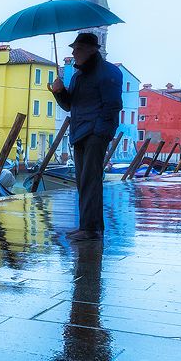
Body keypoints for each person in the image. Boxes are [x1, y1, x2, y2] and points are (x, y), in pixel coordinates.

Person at [49, 32, 123, 241]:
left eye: (78, 49)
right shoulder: (78, 75)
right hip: (79, 133)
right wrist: (59, 92)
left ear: (92, 49)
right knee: (83, 180)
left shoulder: (109, 72)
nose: (73, 52)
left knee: (90, 179)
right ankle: (89, 226)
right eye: (73, 49)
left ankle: (90, 229)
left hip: (95, 133)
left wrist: (100, 131)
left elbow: (113, 105)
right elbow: (70, 105)